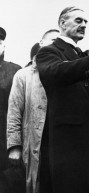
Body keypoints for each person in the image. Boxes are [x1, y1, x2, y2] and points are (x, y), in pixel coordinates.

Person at [36, 6, 89, 193]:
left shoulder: (81, 55)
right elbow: (57, 73)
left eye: (86, 22)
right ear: (62, 23)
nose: (84, 25)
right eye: (78, 21)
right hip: (67, 141)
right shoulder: (48, 52)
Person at [7, 29, 59, 193]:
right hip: (35, 141)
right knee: (37, 184)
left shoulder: (65, 73)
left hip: (59, 142)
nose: (55, 46)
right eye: (52, 40)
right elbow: (14, 111)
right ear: (41, 43)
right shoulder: (23, 75)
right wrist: (14, 146)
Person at [0, 26, 21, 173]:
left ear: (4, 45)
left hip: (5, 139)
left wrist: (15, 145)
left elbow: (21, 111)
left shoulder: (15, 71)